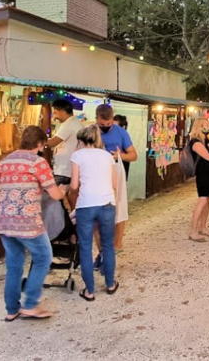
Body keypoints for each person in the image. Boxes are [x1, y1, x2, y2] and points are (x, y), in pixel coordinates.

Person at [0, 126, 65, 321]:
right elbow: (54, 194)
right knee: (44, 257)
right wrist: (62, 190)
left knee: (14, 265)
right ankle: (30, 304)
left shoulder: (7, 160)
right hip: (27, 221)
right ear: (39, 143)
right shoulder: (38, 162)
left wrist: (7, 189)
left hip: (4, 220)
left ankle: (12, 309)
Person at [70, 125, 120, 301]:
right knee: (108, 245)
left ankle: (89, 291)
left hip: (86, 205)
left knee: (85, 247)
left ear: (81, 140)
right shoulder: (107, 156)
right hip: (107, 204)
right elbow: (114, 184)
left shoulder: (77, 155)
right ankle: (110, 284)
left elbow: (74, 186)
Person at [95, 104, 135, 254]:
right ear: (96, 119)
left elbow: (133, 155)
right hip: (96, 173)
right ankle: (101, 247)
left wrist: (120, 156)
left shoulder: (121, 133)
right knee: (97, 209)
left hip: (116, 172)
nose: (105, 127)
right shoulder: (90, 132)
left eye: (108, 124)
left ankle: (118, 244)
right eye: (102, 125)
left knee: (119, 207)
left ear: (112, 119)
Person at [44, 100, 83, 242]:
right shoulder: (74, 123)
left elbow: (52, 142)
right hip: (68, 169)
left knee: (53, 201)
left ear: (61, 111)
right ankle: (70, 234)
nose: (54, 116)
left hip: (64, 170)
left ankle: (64, 233)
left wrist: (36, 142)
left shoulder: (69, 124)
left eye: (55, 112)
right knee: (67, 203)